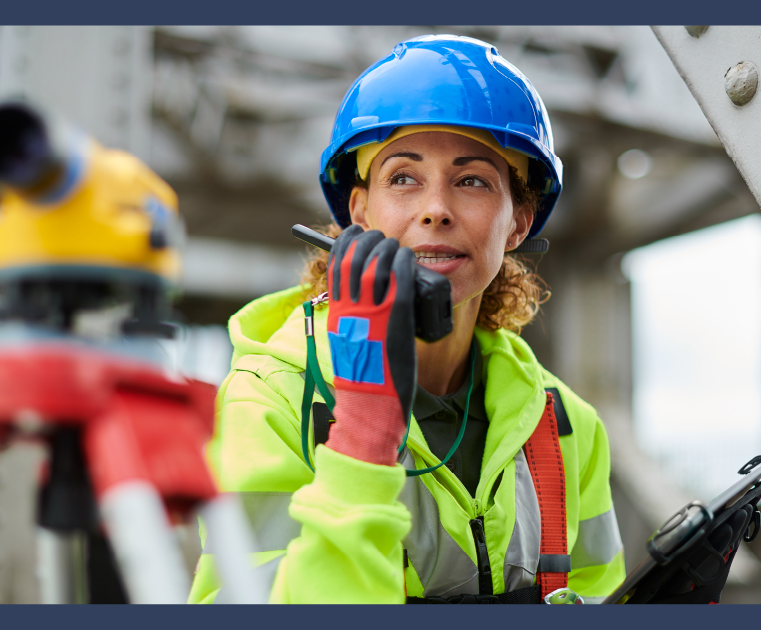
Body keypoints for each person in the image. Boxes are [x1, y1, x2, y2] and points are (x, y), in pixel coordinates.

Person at [189, 34, 625, 604]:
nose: (435, 209)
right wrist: (363, 439)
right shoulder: (272, 399)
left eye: (471, 180)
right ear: (359, 211)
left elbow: (598, 593)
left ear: (518, 221)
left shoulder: (565, 423)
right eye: (402, 177)